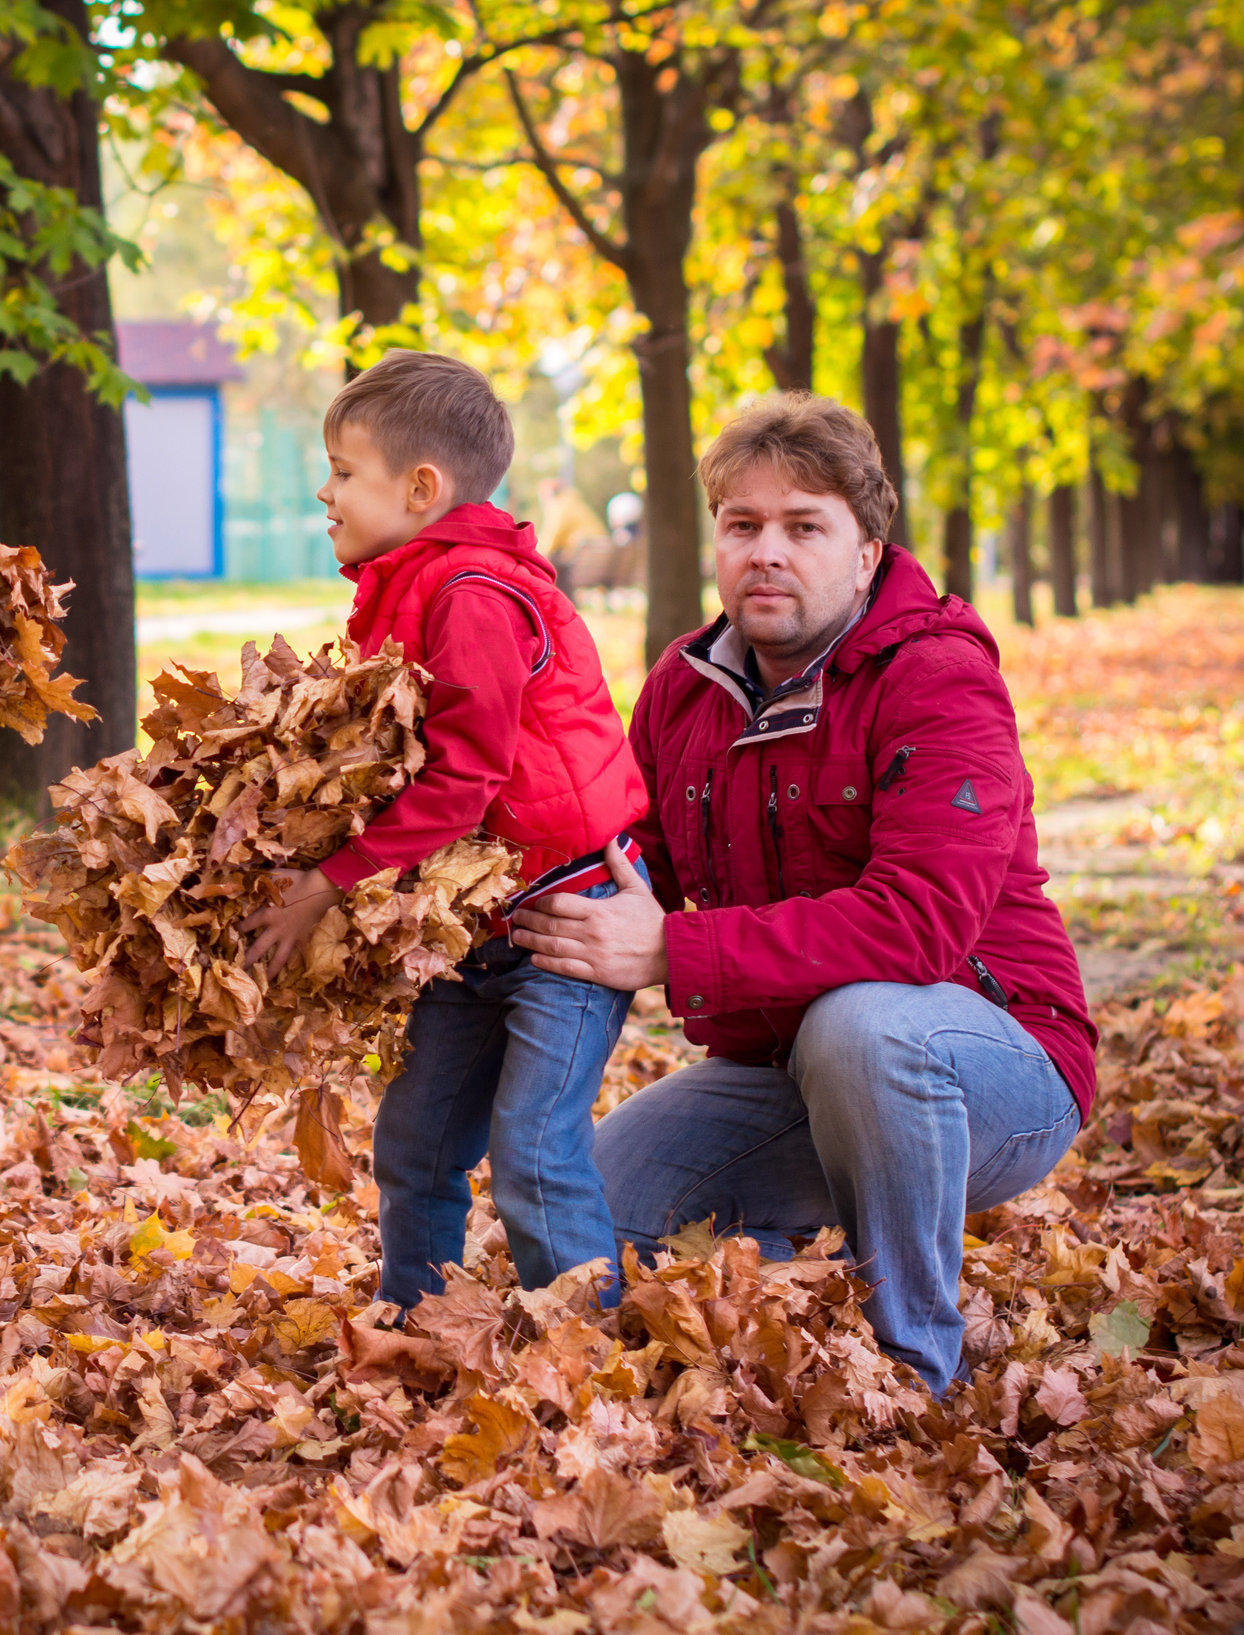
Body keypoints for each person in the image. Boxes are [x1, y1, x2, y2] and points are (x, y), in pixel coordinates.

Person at [508, 393, 1094, 1393]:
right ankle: (799, 1306)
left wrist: (671, 953)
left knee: (862, 1025)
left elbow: (919, 928)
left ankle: (914, 1367)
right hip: (790, 1071)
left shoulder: (937, 677)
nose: (764, 553)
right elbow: (626, 860)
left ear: (866, 550)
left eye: (802, 527)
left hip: (997, 1062)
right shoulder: (684, 687)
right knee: (596, 1209)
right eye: (741, 526)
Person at [243, 351, 650, 1311]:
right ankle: (414, 1317)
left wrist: (323, 885)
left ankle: (588, 1361)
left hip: (568, 918)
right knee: (416, 1143)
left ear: (421, 488)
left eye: (344, 470)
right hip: (478, 918)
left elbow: (465, 782)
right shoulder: (414, 582)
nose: (323, 489)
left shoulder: (473, 593)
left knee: (535, 1151)